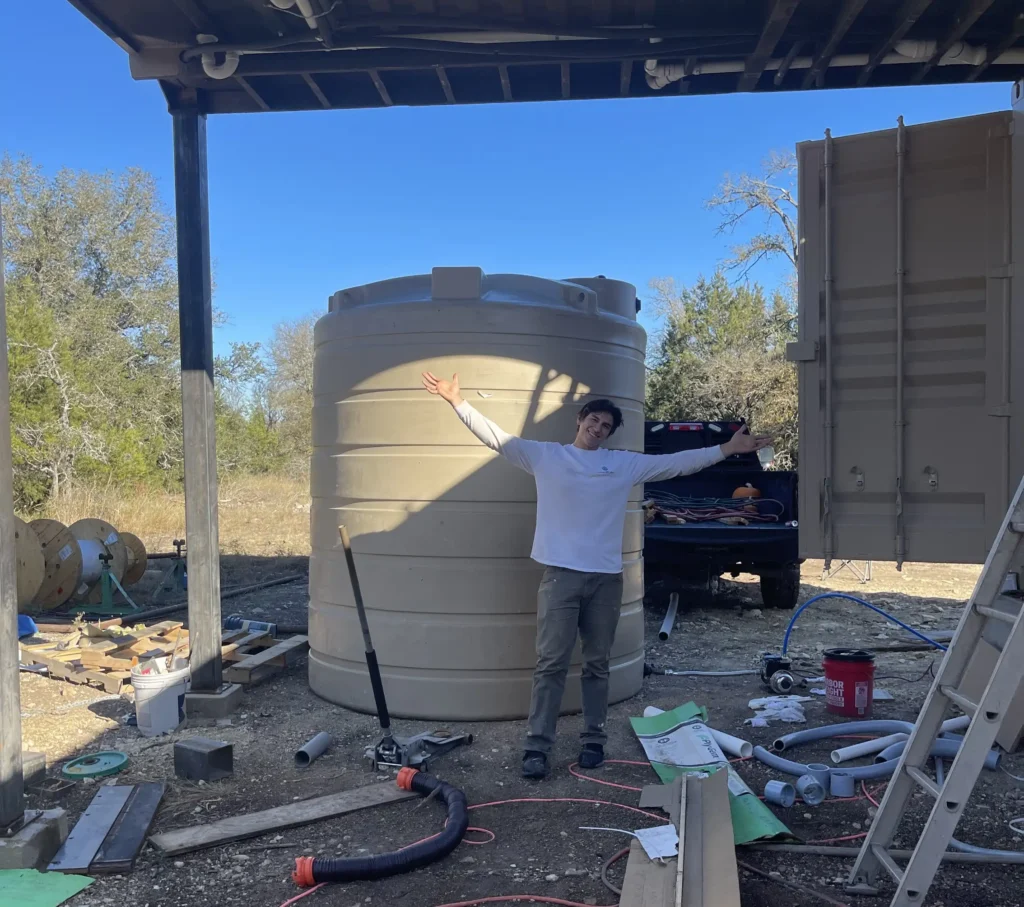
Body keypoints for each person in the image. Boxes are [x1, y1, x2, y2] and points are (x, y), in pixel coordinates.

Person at [422, 370, 771, 779]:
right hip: (561, 578)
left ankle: (593, 740)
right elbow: (496, 437)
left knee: (597, 665)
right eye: (594, 420)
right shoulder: (546, 456)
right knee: (550, 664)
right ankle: (537, 747)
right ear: (580, 420)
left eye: (606, 426)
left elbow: (675, 465)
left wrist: (727, 448)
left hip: (606, 579)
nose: (598, 428)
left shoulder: (620, 465)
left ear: (610, 433)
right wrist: (456, 402)